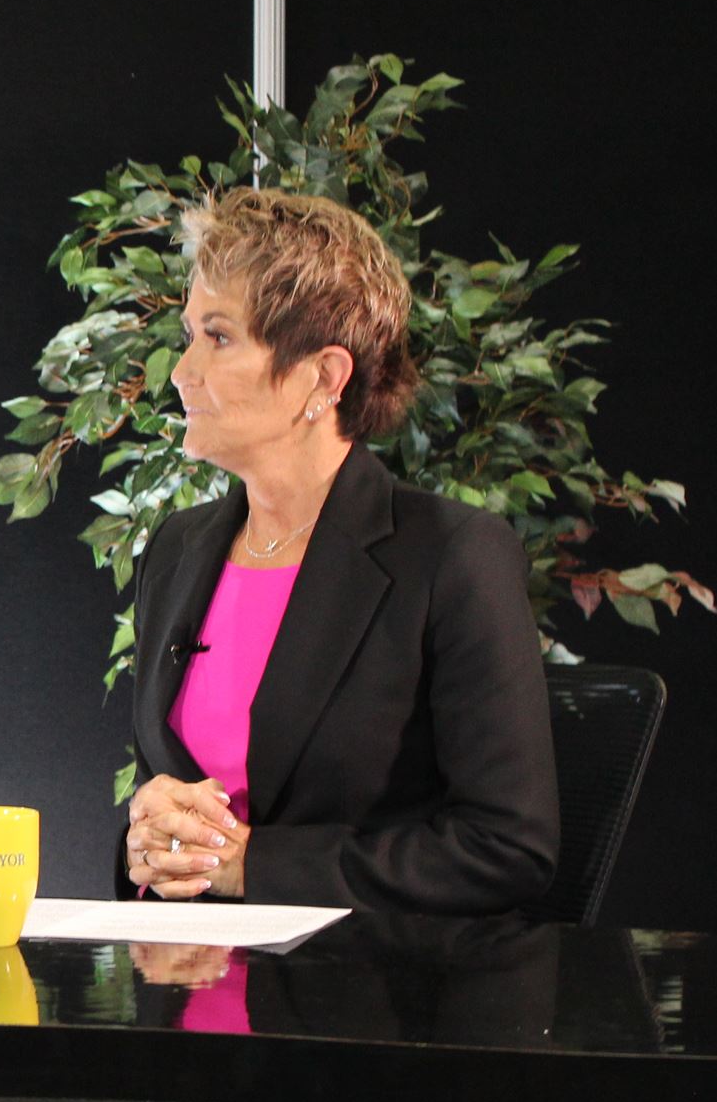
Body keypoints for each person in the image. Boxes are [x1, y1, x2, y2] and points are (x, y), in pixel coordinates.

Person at [119, 189, 557, 915]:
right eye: (189, 332)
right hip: (191, 991)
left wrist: (257, 865)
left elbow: (507, 849)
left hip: (366, 1002)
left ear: (323, 376)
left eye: (218, 337)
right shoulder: (176, 549)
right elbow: (167, 807)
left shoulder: (453, 556)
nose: (180, 370)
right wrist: (145, 843)